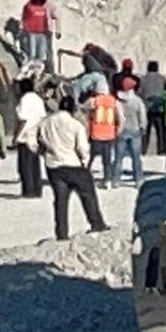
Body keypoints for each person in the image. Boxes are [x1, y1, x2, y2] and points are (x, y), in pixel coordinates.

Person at [38, 96, 110, 241]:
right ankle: (97, 223)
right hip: (73, 164)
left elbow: (39, 141)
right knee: (87, 195)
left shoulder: (46, 123)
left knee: (60, 201)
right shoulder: (75, 125)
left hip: (54, 166)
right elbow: (83, 148)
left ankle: (62, 233)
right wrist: (85, 161)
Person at [84, 78, 122, 188]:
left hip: (96, 134)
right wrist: (118, 130)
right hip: (109, 135)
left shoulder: (94, 101)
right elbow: (120, 117)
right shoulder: (114, 101)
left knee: (90, 158)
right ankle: (107, 180)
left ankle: (85, 177)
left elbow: (83, 108)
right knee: (107, 160)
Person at [14, 77, 46, 198]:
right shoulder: (38, 99)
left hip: (25, 135)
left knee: (25, 166)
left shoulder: (24, 99)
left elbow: (22, 119)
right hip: (35, 134)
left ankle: (28, 191)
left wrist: (16, 136)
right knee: (35, 165)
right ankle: (37, 190)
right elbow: (43, 117)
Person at [114, 77, 147, 187]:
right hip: (135, 130)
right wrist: (143, 126)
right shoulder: (137, 100)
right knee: (136, 157)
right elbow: (142, 115)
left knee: (118, 157)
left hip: (121, 130)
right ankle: (139, 179)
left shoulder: (118, 100)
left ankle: (116, 180)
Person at [21, 0, 60, 66]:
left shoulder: (48, 5)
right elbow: (24, 18)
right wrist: (24, 29)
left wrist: (58, 30)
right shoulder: (29, 5)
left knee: (45, 53)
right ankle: (32, 69)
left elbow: (57, 17)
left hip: (45, 33)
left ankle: (48, 69)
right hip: (32, 32)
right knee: (32, 53)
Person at [139, 60, 166, 154]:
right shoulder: (162, 78)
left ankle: (143, 150)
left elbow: (139, 92)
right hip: (159, 107)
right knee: (160, 131)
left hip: (147, 107)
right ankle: (162, 150)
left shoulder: (143, 79)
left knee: (145, 131)